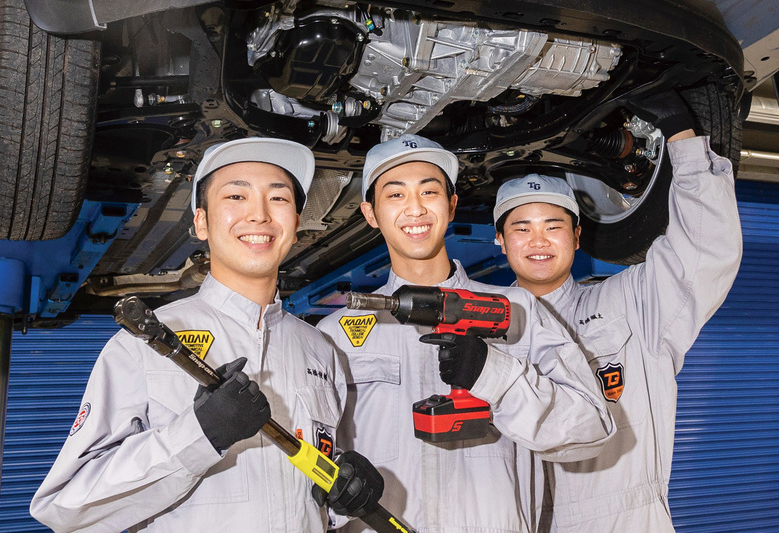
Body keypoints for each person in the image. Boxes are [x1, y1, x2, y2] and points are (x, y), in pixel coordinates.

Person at [30, 138, 384, 533]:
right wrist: (200, 434)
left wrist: (344, 497)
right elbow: (67, 509)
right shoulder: (143, 344)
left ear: (296, 225)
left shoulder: (321, 350)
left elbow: (313, 495)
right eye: (236, 195)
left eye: (278, 199)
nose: (259, 215)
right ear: (201, 222)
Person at [316, 134, 616, 533]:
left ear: (452, 204)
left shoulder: (519, 310)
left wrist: (495, 374)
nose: (416, 208)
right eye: (396, 195)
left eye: (429, 191)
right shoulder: (334, 335)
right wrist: (334, 497)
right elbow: (311, 462)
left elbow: (590, 429)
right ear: (370, 213)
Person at [493, 92, 742, 531]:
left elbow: (704, 251)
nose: (538, 241)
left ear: (576, 234)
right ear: (500, 240)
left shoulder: (630, 304)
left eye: (553, 227)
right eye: (522, 228)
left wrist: (681, 136)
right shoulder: (483, 328)